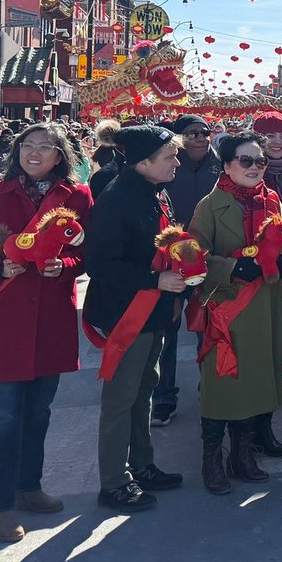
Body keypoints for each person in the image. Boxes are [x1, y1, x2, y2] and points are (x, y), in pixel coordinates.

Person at [0, 123, 94, 543]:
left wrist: (64, 267)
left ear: (60, 155)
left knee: (38, 412)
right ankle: (0, 507)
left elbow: (84, 252)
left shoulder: (78, 197)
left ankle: (29, 486)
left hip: (50, 316)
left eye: (45, 148)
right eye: (27, 146)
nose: (35, 153)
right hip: (2, 319)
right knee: (2, 417)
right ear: (16, 151)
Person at [83, 126, 187, 512]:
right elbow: (100, 263)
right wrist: (154, 278)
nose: (177, 161)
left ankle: (141, 465)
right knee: (121, 398)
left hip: (154, 309)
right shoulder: (118, 198)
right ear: (143, 162)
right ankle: (113, 481)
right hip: (126, 312)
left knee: (144, 390)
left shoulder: (154, 191)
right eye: (169, 157)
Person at [189, 132, 282, 493]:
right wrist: (229, 268)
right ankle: (212, 458)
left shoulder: (272, 199)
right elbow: (192, 254)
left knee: (255, 378)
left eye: (259, 161)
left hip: (263, 303)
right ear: (227, 164)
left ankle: (243, 453)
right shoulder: (209, 205)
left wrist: (281, 257)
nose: (253, 167)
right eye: (245, 160)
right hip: (226, 307)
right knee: (223, 384)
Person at [148, 114, 222, 429]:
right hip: (171, 260)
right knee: (168, 332)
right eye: (193, 133)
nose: (201, 138)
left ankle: (213, 389)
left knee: (211, 328)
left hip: (211, 260)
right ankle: (164, 399)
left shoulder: (221, 168)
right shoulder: (165, 169)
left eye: (206, 132)